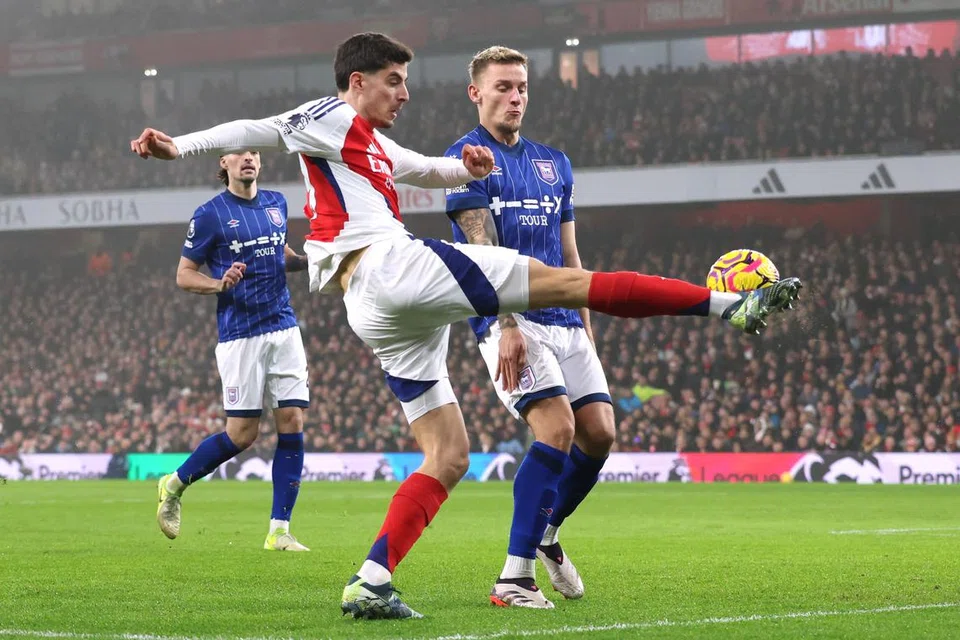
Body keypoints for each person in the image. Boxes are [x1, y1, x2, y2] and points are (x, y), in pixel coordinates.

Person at [130, 32, 801, 620]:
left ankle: (371, 580)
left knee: (448, 454)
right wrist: (178, 146)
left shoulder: (366, 140)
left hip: (376, 305)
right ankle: (727, 305)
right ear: (358, 82)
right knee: (565, 282)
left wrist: (464, 167)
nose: (405, 93)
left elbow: (419, 167)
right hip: (388, 265)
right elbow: (253, 128)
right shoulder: (327, 115)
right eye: (394, 81)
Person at [445, 46, 613, 609]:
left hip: (566, 318)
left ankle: (546, 533)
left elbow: (570, 253)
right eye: (502, 87)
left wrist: (586, 324)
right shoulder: (465, 158)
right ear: (476, 93)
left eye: (520, 87)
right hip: (511, 321)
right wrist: (506, 322)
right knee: (557, 430)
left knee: (601, 434)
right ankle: (513, 579)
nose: (514, 96)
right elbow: (481, 247)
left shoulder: (554, 162)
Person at [155, 150, 312, 552]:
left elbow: (282, 255)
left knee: (292, 420)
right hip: (241, 334)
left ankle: (279, 530)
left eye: (254, 153)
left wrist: (315, 260)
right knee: (242, 435)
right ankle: (174, 485)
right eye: (238, 154)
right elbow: (184, 274)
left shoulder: (277, 203)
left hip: (284, 325)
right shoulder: (209, 214)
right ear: (223, 163)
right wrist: (218, 284)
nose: (248, 159)